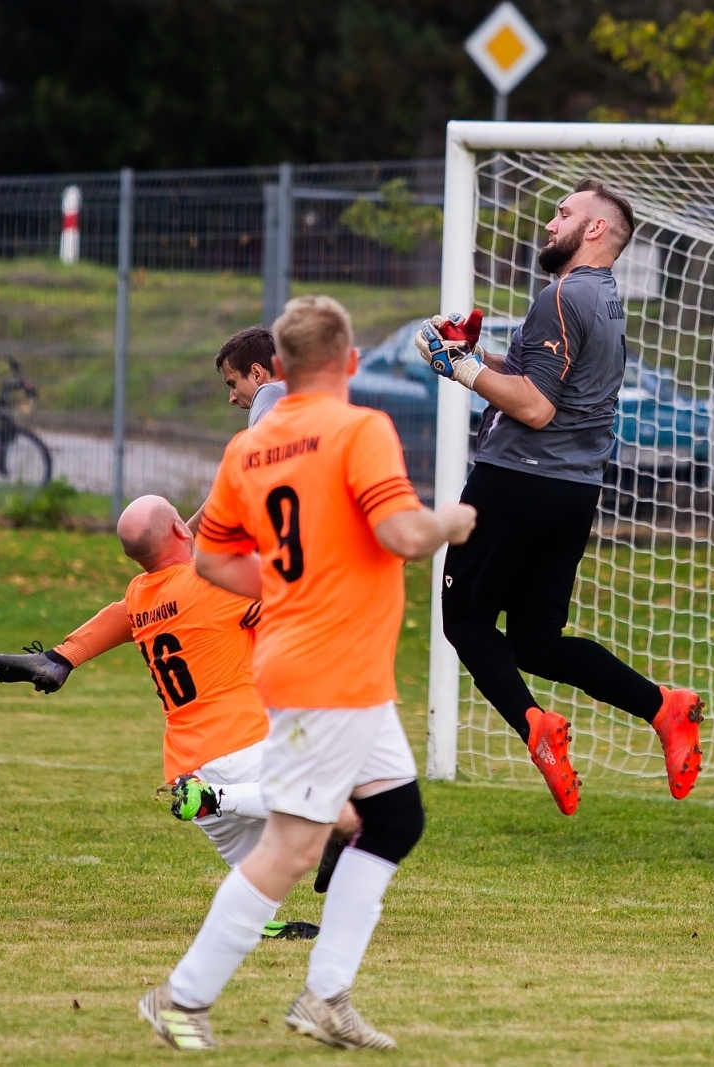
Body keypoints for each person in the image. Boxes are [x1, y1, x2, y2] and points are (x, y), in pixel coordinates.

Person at [137, 295, 476, 1052]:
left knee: (395, 819)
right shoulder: (360, 429)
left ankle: (325, 997)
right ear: (350, 362)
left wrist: (287, 589)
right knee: (292, 846)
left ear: (280, 368)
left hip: (328, 664)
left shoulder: (249, 449)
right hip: (330, 668)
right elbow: (403, 534)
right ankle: (180, 997)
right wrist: (452, 522)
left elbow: (210, 559)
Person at [416, 178, 707, 817]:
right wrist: (473, 354)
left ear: (595, 229)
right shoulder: (603, 298)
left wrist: (462, 370)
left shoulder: (560, 295)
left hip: (515, 481)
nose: (551, 223)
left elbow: (536, 407)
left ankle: (536, 727)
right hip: (573, 492)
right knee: (535, 642)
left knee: (465, 623)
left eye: (564, 212)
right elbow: (542, 380)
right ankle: (663, 707)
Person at [0, 493, 355, 938]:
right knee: (350, 810)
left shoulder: (140, 595)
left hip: (187, 763)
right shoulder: (220, 585)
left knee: (267, 870)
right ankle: (232, 802)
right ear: (180, 529)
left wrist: (65, 657)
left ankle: (260, 918)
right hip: (242, 747)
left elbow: (167, 558)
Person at [0, 327, 286, 697]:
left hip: (198, 729)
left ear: (258, 373)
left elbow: (249, 474)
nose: (231, 397)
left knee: (151, 597)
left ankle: (61, 658)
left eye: (232, 383)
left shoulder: (276, 406)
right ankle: (60, 657)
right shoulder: (296, 421)